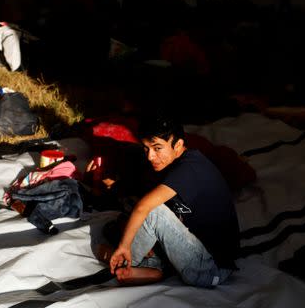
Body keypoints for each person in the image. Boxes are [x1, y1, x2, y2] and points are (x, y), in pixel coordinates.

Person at [100, 114, 240, 287]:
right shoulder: (170, 164)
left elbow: (144, 207)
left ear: (178, 144)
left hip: (210, 269)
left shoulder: (190, 169)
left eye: (157, 148)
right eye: (146, 148)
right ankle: (152, 269)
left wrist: (124, 246)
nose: (150, 156)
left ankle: (126, 261)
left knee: (150, 211)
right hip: (193, 250)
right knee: (129, 219)